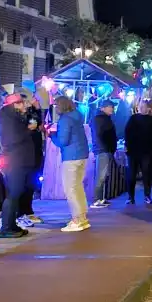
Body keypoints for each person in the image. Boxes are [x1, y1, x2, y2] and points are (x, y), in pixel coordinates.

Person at [50, 95, 91, 232]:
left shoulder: (65, 120)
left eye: (56, 105)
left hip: (71, 157)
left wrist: (52, 135)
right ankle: (83, 218)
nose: (55, 108)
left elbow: (63, 141)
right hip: (82, 155)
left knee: (71, 189)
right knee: (78, 187)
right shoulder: (77, 116)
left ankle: (77, 219)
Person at [0, 93, 35, 238]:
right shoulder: (8, 120)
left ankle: (11, 225)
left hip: (20, 160)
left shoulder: (13, 118)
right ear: (14, 105)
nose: (24, 106)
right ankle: (6, 227)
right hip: (15, 161)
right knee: (13, 193)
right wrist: (28, 130)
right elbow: (11, 139)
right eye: (21, 103)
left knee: (16, 193)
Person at [124, 101, 152, 205]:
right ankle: (130, 197)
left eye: (143, 106)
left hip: (146, 151)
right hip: (133, 150)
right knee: (131, 174)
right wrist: (127, 145)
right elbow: (127, 132)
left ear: (148, 108)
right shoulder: (133, 118)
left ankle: (147, 195)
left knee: (147, 174)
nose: (140, 108)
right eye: (140, 106)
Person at [17, 93, 44, 229]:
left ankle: (28, 210)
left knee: (32, 183)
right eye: (25, 101)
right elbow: (32, 127)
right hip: (26, 154)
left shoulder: (31, 113)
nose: (27, 103)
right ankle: (21, 213)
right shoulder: (18, 117)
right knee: (24, 184)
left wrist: (38, 109)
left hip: (36, 152)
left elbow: (38, 124)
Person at [90, 99, 118, 208]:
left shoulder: (104, 118)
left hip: (105, 149)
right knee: (101, 176)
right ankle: (97, 200)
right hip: (103, 150)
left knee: (103, 175)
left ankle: (101, 198)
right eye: (110, 106)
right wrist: (106, 147)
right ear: (103, 108)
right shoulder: (100, 119)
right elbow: (100, 136)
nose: (112, 108)